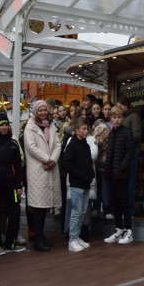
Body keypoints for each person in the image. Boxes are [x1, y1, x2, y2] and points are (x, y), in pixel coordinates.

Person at [23, 100, 61, 252]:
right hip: (38, 170)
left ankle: (41, 235)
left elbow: (57, 144)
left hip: (49, 168)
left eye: (45, 110)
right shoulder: (30, 127)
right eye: (40, 110)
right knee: (38, 206)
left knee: (45, 205)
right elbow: (31, 147)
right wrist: (48, 159)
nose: (43, 113)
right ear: (35, 111)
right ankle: (37, 238)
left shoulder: (50, 125)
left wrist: (53, 160)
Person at [0, 111, 25, 256]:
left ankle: (11, 243)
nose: (4, 127)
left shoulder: (13, 143)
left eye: (6, 125)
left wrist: (19, 186)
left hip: (10, 184)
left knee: (14, 213)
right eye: (1, 125)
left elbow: (19, 166)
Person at [103, 106, 135, 246]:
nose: (116, 120)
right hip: (112, 174)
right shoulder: (111, 133)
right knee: (115, 203)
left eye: (119, 117)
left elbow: (130, 152)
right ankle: (119, 229)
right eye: (114, 117)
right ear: (111, 119)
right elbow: (109, 154)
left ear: (122, 118)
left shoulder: (126, 133)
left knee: (124, 202)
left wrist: (121, 166)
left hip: (122, 174)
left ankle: (128, 231)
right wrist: (106, 169)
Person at [63, 121, 95, 252]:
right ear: (76, 131)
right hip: (77, 183)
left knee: (82, 212)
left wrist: (90, 174)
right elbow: (66, 164)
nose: (86, 131)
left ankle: (77, 236)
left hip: (86, 183)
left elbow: (88, 163)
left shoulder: (85, 145)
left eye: (87, 129)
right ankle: (72, 240)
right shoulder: (72, 145)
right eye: (83, 129)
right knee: (76, 212)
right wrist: (80, 174)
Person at [118, 95, 143, 217]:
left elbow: (137, 135)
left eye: (120, 107)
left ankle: (130, 211)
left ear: (125, 106)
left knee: (131, 182)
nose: (118, 109)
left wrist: (122, 139)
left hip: (131, 151)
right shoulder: (121, 118)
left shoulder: (133, 117)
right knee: (122, 183)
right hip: (122, 153)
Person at [92, 104, 112, 219]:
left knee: (105, 184)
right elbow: (94, 141)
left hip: (109, 158)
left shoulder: (113, 123)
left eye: (109, 109)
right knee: (100, 184)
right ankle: (102, 207)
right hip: (100, 158)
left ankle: (106, 208)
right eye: (105, 109)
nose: (107, 111)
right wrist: (103, 139)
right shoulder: (99, 124)